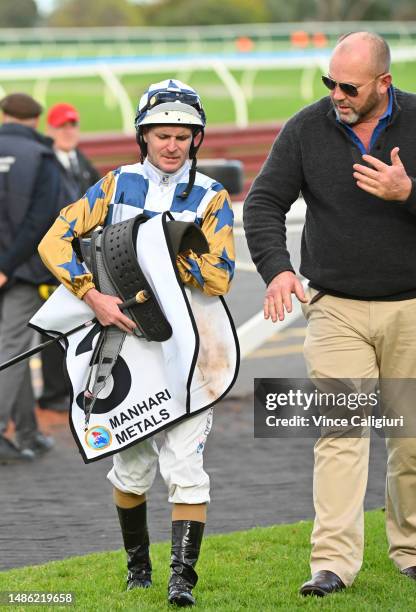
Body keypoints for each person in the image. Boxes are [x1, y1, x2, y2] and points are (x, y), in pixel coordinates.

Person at [243, 32, 416, 595]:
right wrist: (278, 267)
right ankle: (331, 565)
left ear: (384, 83)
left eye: (348, 86)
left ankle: (413, 551)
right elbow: (263, 201)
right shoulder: (306, 127)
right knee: (340, 433)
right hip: (336, 310)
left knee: (412, 440)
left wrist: (410, 191)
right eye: (330, 82)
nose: (337, 94)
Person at [38, 79, 235, 606]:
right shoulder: (113, 185)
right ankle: (139, 572)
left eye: (182, 136)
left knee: (187, 469)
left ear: (196, 138)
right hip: (123, 348)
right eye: (161, 135)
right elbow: (53, 241)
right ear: (142, 136)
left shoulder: (213, 196)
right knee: (131, 469)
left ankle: (181, 582)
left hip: (191, 352)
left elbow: (220, 278)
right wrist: (92, 295)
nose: (171, 145)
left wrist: (166, 251)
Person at [0, 93, 61, 463]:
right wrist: (8, 266)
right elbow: (43, 220)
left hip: (8, 269)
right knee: (13, 349)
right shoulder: (41, 156)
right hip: (21, 271)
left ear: (4, 115)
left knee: (14, 348)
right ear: (36, 120)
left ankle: (27, 433)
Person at [38, 102, 100, 413]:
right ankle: (52, 394)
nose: (68, 131)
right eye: (62, 126)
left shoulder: (82, 162)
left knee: (78, 327)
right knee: (53, 328)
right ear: (50, 130)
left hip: (81, 261)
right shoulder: (45, 164)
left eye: (72, 125)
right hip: (52, 261)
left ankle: (72, 388)